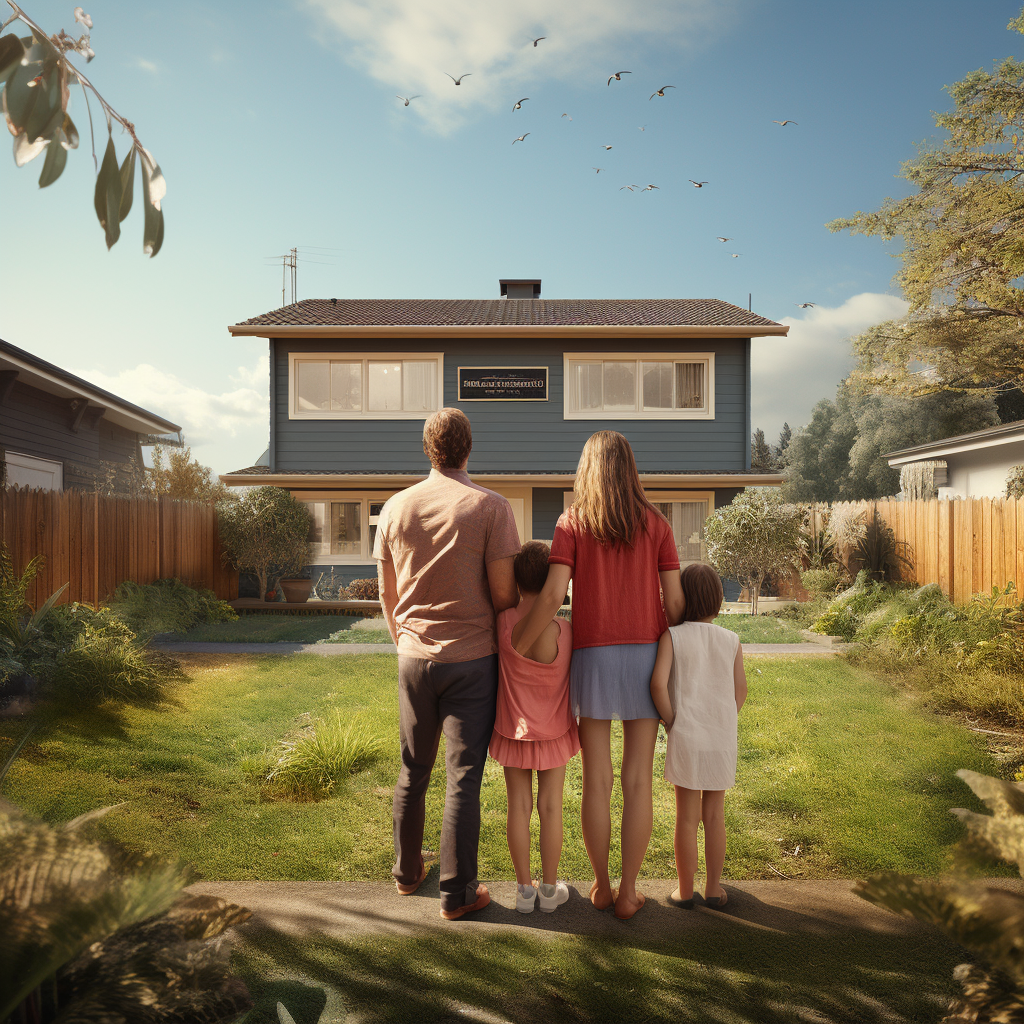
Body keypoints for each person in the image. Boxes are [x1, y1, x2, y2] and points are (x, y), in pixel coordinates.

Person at [512, 430, 684, 920]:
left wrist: (517, 646)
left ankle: (603, 886)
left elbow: (552, 597)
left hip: (592, 658)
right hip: (646, 658)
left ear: (586, 470)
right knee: (637, 782)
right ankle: (631, 892)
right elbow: (673, 603)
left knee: (597, 780)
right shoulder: (657, 524)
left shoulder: (572, 523)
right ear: (630, 469)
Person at [374, 407, 521, 921]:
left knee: (413, 768)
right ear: (468, 448)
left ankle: (406, 873)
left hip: (413, 659)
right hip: (473, 660)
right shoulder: (492, 508)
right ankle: (456, 895)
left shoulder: (394, 508)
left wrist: (406, 641)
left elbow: (387, 595)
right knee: (463, 776)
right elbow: (505, 594)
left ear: (427, 448)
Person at [650, 563, 747, 910]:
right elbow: (740, 691)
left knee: (686, 818)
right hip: (720, 738)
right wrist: (721, 721)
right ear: (718, 600)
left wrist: (671, 720)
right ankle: (713, 889)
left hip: (686, 736)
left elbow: (658, 684)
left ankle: (685, 891)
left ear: (681, 597)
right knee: (715, 816)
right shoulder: (731, 640)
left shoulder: (672, 636)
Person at [490, 541, 580, 914]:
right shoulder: (565, 631)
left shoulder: (503, 622)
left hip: (513, 730)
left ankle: (524, 891)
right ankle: (548, 888)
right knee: (551, 808)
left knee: (518, 807)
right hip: (555, 734)